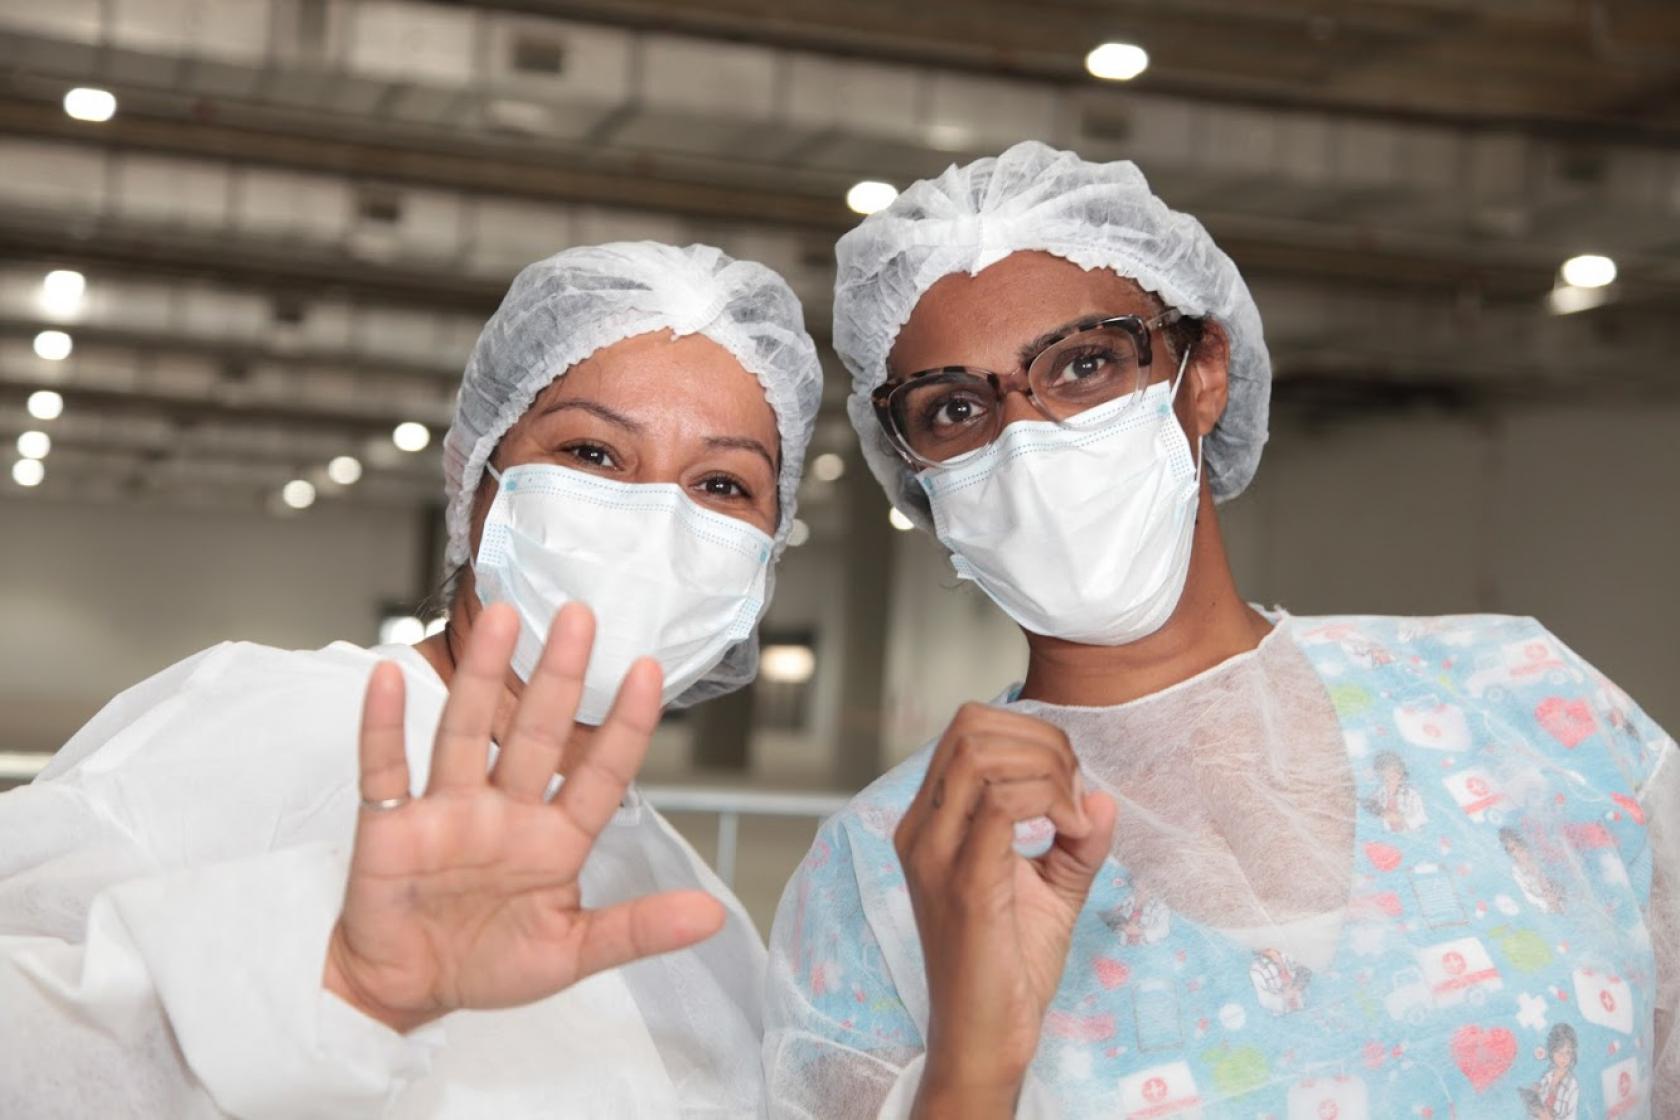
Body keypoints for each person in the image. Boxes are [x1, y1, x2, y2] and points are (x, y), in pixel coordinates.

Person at [764, 142, 1678, 1118]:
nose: (1026, 437)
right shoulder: (892, 870)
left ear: (1203, 373)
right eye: (954, 406)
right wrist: (972, 1073)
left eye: (1084, 364)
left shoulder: (1524, 701)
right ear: (917, 470)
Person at [0, 241, 821, 1118]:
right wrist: (346, 991)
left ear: (768, 556)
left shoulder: (693, 908)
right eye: (594, 454)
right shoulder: (279, 725)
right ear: (476, 483)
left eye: (725, 483)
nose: (659, 517)